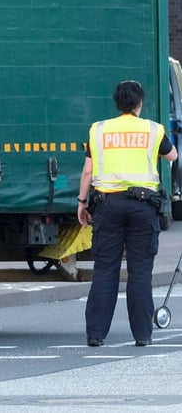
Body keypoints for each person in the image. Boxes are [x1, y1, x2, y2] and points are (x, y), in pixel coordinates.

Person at [77, 80, 177, 347]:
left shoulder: (99, 130)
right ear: (139, 103)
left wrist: (82, 202)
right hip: (143, 208)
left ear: (117, 103)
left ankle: (96, 335)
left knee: (105, 270)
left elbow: (88, 170)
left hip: (107, 207)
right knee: (140, 272)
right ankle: (143, 335)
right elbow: (173, 156)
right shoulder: (152, 130)